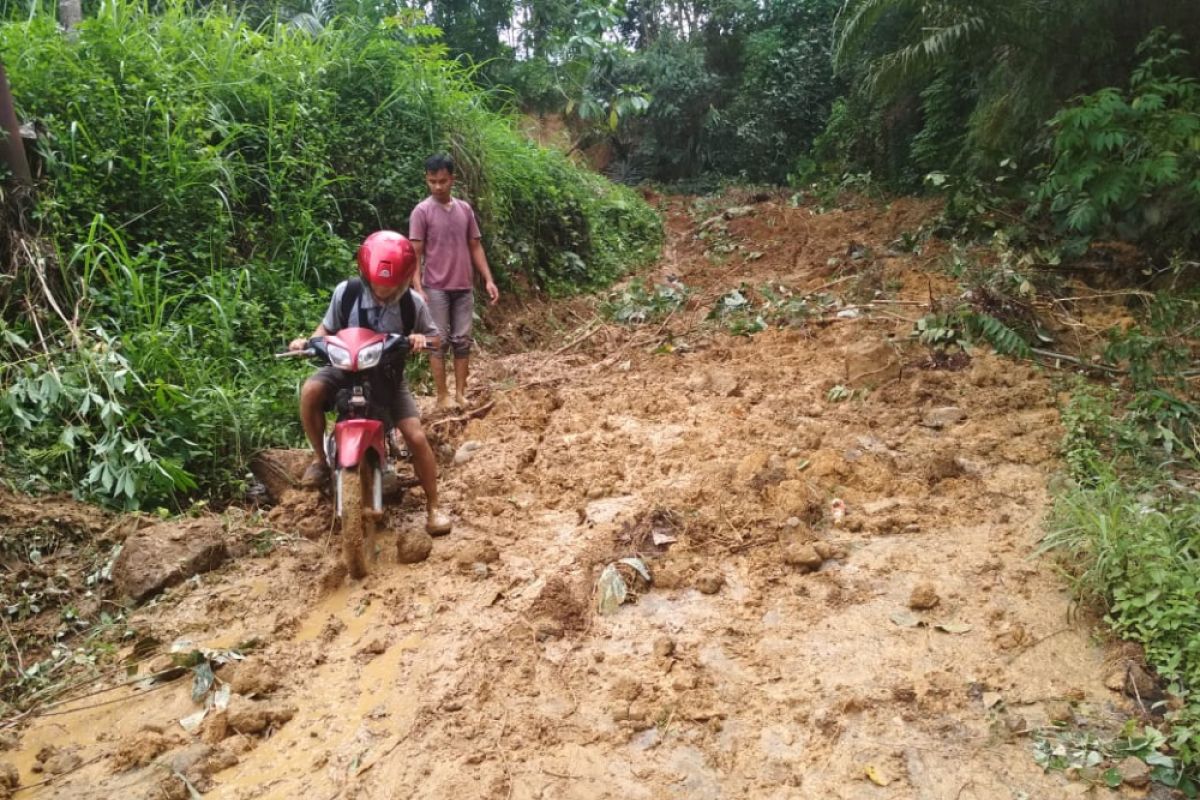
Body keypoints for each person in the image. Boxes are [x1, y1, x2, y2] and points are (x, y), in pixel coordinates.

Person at [289, 230, 452, 536]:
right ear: (365, 274)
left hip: (387, 375)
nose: (384, 292)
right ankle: (320, 459)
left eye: (391, 287)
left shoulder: (411, 303)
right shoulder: (346, 293)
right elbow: (325, 328)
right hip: (343, 369)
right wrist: (308, 342)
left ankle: (433, 507)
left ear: (404, 279)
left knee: (416, 437)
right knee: (310, 390)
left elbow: (436, 337)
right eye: (378, 285)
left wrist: (420, 339)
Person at [409, 153, 499, 411]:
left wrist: (488, 280)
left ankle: (460, 393)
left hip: (463, 286)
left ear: (452, 180)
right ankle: (442, 396)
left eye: (443, 181)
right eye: (432, 181)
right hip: (435, 286)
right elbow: (414, 253)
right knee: (437, 341)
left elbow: (475, 246)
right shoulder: (422, 212)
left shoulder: (465, 210)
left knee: (462, 339)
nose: (438, 186)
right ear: (427, 181)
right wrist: (418, 288)